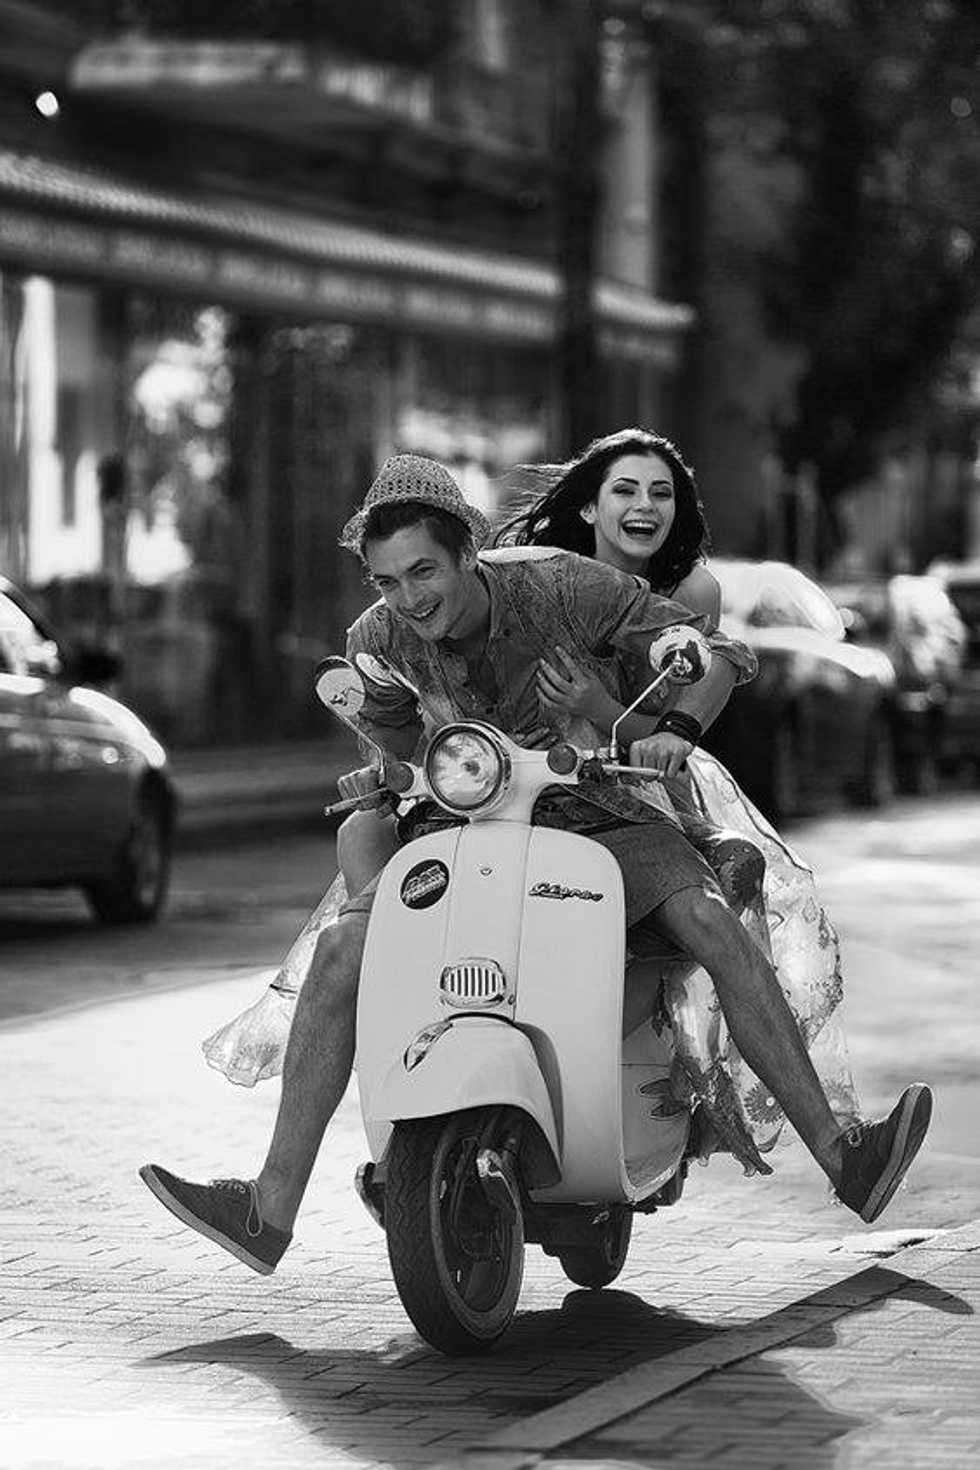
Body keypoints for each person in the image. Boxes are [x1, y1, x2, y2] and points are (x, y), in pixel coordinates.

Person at [142, 454, 932, 1276]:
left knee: (707, 919)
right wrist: (383, 773)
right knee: (343, 949)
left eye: (423, 571)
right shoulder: (375, 639)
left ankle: (845, 1157)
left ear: (467, 553)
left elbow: (712, 650)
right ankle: (268, 1210)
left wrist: (674, 730)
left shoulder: (560, 585)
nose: (408, 598)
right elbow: (396, 737)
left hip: (604, 814)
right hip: (461, 828)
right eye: (387, 581)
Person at [496, 427, 864, 1158]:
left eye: (661, 493)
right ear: (589, 508)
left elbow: (672, 722)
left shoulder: (692, 592)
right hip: (535, 783)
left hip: (646, 782)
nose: (645, 505)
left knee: (705, 907)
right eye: (625, 490)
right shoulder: (543, 578)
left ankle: (722, 1093)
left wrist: (601, 708)